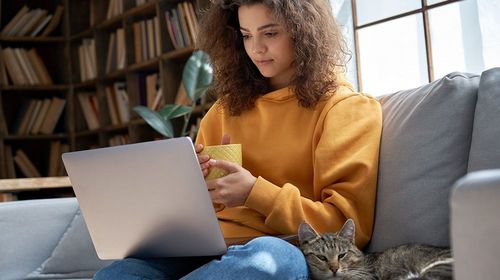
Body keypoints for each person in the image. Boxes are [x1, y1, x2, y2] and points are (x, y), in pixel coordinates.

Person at [94, 0, 382, 279]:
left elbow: (347, 224)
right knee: (120, 273)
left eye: (270, 33)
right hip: (207, 247)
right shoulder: (224, 110)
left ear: (304, 31)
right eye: (246, 35)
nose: (256, 48)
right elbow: (211, 209)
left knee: (268, 260)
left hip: (285, 246)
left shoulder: (346, 108)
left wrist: (253, 192)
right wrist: (193, 185)